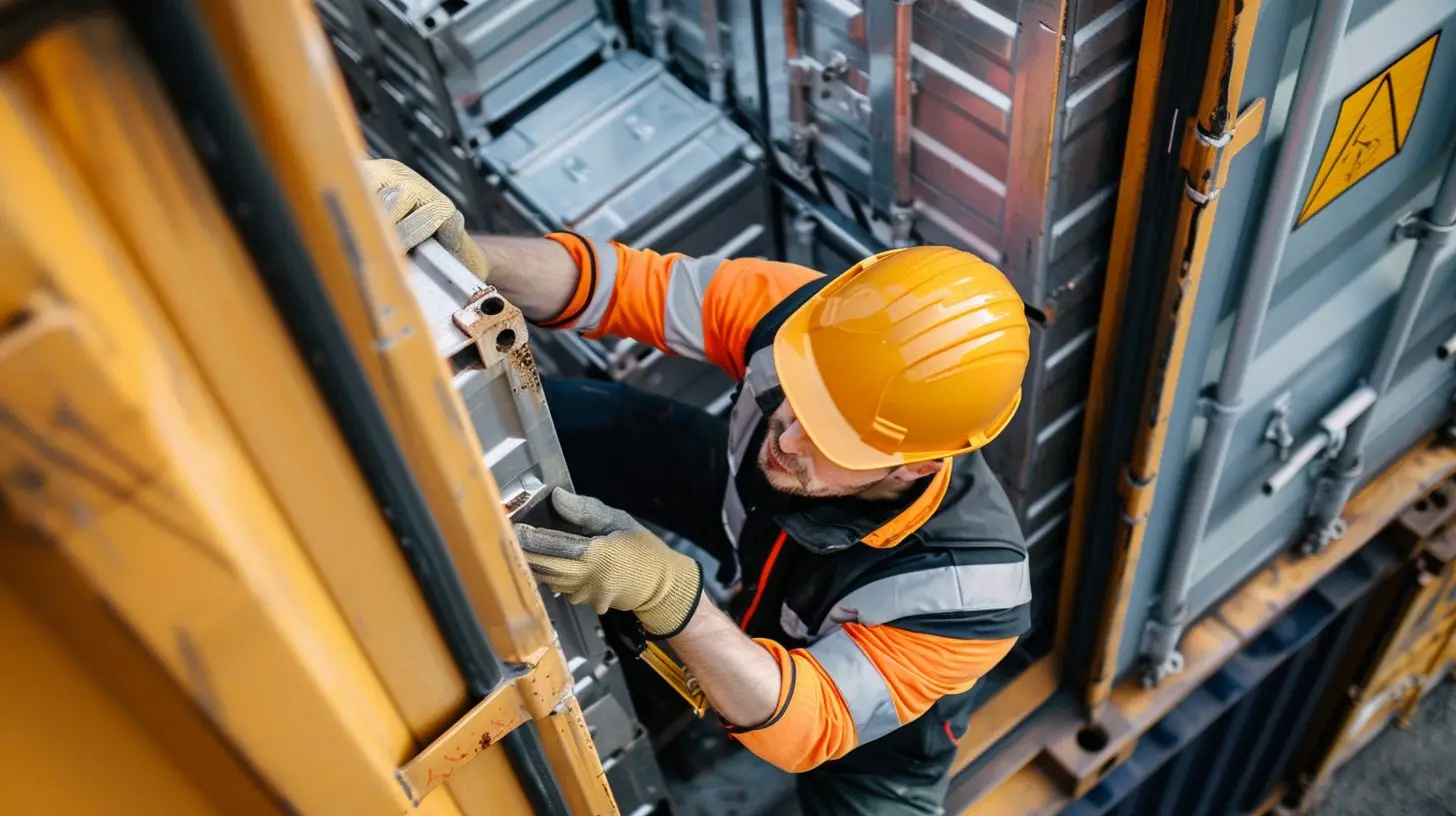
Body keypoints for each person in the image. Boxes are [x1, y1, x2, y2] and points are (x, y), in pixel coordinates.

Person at [367, 160, 1033, 815]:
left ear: (914, 465)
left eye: (831, 438)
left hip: (871, 742)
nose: (787, 436)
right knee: (574, 418)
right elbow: (626, 284)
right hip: (745, 513)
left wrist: (670, 596)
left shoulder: (970, 594)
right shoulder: (803, 319)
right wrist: (461, 255)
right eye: (797, 394)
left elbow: (811, 722)